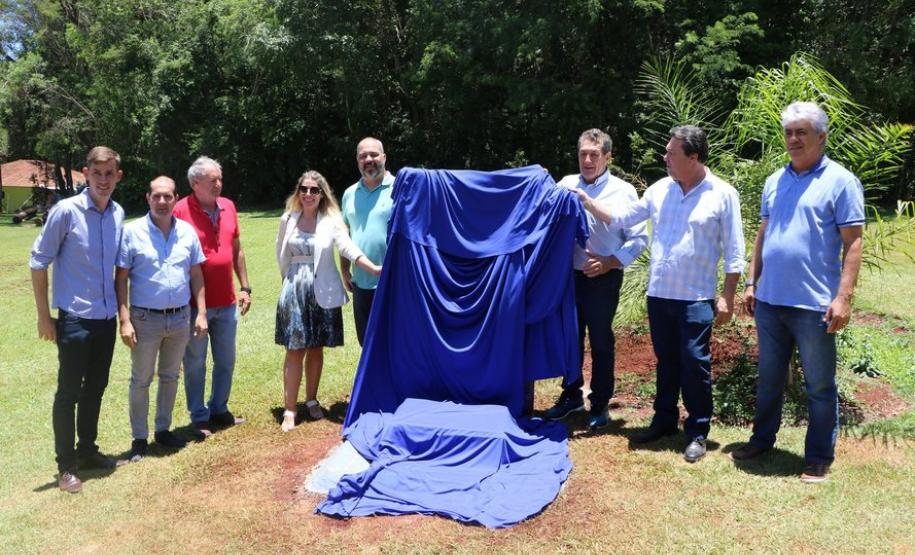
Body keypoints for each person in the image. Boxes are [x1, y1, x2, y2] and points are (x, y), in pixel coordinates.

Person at [574, 126, 745, 462]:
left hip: (695, 296)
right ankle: (663, 420)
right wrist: (588, 203)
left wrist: (727, 296)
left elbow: (735, 251)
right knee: (666, 362)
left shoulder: (722, 194)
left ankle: (696, 430)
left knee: (695, 363)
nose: (665, 157)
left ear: (693, 158)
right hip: (660, 294)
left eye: (671, 153)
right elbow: (622, 219)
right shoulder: (659, 190)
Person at [733, 102, 864, 483]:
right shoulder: (775, 180)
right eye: (789, 132)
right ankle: (762, 441)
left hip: (815, 304)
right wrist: (752, 282)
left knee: (820, 385)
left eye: (802, 132)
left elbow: (853, 242)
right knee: (769, 378)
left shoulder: (841, 181)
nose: (793, 139)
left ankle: (819, 456)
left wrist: (843, 298)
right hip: (771, 301)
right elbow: (764, 233)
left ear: (821, 137)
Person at [29, 146, 126, 493]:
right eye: (96, 173)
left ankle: (87, 451)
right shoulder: (65, 212)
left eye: (109, 173)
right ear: (86, 174)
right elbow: (38, 261)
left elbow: (120, 270)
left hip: (105, 319)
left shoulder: (117, 214)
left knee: (95, 389)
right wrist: (45, 317)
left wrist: (123, 315)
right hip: (74, 320)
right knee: (68, 393)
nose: (103, 180)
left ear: (118, 176)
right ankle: (66, 466)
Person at [546, 129, 648, 429]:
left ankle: (600, 404)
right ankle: (571, 395)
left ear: (607, 157)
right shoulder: (564, 185)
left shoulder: (624, 191)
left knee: (601, 340)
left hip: (604, 278)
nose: (587, 160)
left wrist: (609, 262)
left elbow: (639, 239)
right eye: (582, 154)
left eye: (594, 154)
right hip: (568, 278)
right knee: (570, 338)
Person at [275, 171, 382, 431]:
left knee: (316, 348)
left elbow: (347, 247)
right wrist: (289, 284)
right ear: (298, 191)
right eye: (304, 189)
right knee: (295, 348)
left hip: (323, 289)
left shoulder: (331, 220)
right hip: (294, 289)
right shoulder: (288, 219)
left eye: (314, 189)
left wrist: (374, 269)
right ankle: (290, 409)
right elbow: (281, 254)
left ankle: (311, 400)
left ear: (322, 193)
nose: (308, 194)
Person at [115, 176, 208, 461]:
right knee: (141, 380)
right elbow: (121, 279)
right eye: (157, 196)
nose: (162, 201)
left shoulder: (188, 233)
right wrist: (125, 320)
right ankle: (140, 438)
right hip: (144, 319)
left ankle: (163, 430)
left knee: (169, 376)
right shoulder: (131, 232)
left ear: (175, 198)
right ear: (148, 198)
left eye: (168, 196)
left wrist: (201, 312)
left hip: (180, 318)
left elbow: (196, 274)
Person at [173, 156, 252, 437]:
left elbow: (236, 249)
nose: (218, 184)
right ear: (196, 183)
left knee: (226, 359)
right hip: (194, 305)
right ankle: (199, 416)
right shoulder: (179, 210)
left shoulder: (228, 206)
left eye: (220, 179)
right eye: (212, 180)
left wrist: (245, 286)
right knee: (194, 363)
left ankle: (219, 408)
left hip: (227, 301)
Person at [340, 137, 395, 346]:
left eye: (373, 154)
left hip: (393, 282)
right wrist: (345, 268)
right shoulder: (349, 194)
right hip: (361, 283)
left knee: (394, 341)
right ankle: (374, 380)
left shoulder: (401, 189)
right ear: (357, 161)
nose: (369, 159)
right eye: (363, 156)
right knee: (367, 342)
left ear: (384, 157)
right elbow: (344, 235)